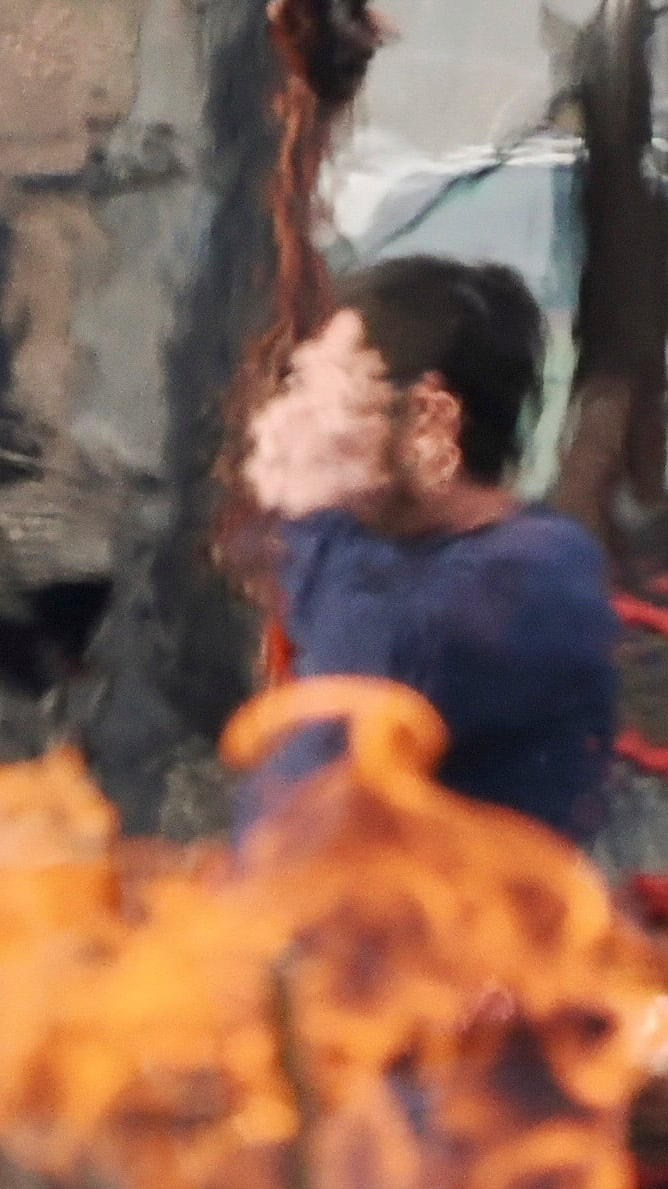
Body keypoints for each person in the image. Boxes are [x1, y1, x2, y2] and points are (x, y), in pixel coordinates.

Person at [238, 254, 618, 845]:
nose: (289, 421)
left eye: (324, 393)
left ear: (429, 418)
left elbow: (370, 666)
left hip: (471, 929)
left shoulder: (528, 582)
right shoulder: (369, 539)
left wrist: (294, 490)